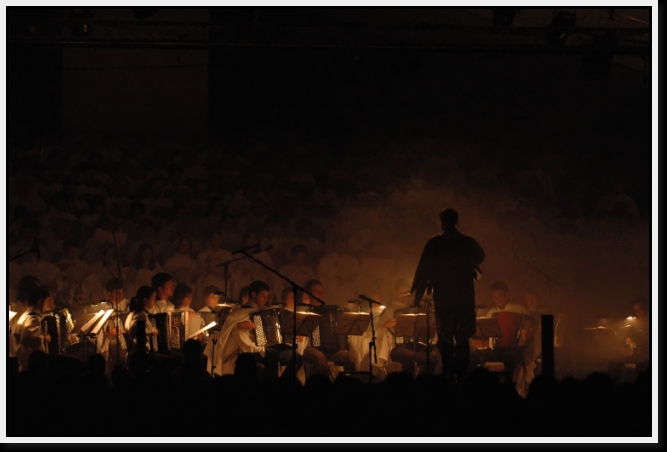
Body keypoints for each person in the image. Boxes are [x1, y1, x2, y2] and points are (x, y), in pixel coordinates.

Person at [410, 207, 485, 382]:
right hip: (464, 300)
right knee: (462, 342)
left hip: (444, 300)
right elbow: (481, 256)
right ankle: (462, 377)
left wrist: (418, 294)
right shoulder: (467, 241)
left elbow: (424, 269)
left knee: (445, 342)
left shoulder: (435, 243)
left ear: (442, 222)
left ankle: (448, 377)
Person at [206, 280, 279, 380]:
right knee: (272, 355)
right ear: (253, 294)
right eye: (263, 295)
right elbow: (242, 342)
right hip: (240, 354)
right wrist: (238, 325)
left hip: (257, 349)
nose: (265, 299)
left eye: (267, 296)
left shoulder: (264, 312)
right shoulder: (238, 313)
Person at [481, 281, 528, 386]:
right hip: (496, 349)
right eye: (495, 297)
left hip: (515, 348)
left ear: (507, 295)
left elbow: (529, 329)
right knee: (484, 359)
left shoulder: (519, 309)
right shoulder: (491, 313)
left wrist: (526, 334)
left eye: (500, 296)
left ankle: (508, 386)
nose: (497, 299)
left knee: (509, 360)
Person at [15, 285, 54, 372]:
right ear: (40, 302)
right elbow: (30, 338)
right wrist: (45, 338)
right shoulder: (33, 318)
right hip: (30, 360)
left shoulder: (26, 315)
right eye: (46, 302)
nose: (47, 306)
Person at [125, 286, 159, 354]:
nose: (155, 301)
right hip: (139, 351)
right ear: (145, 300)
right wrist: (152, 329)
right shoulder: (140, 314)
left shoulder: (133, 313)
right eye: (153, 298)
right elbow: (138, 329)